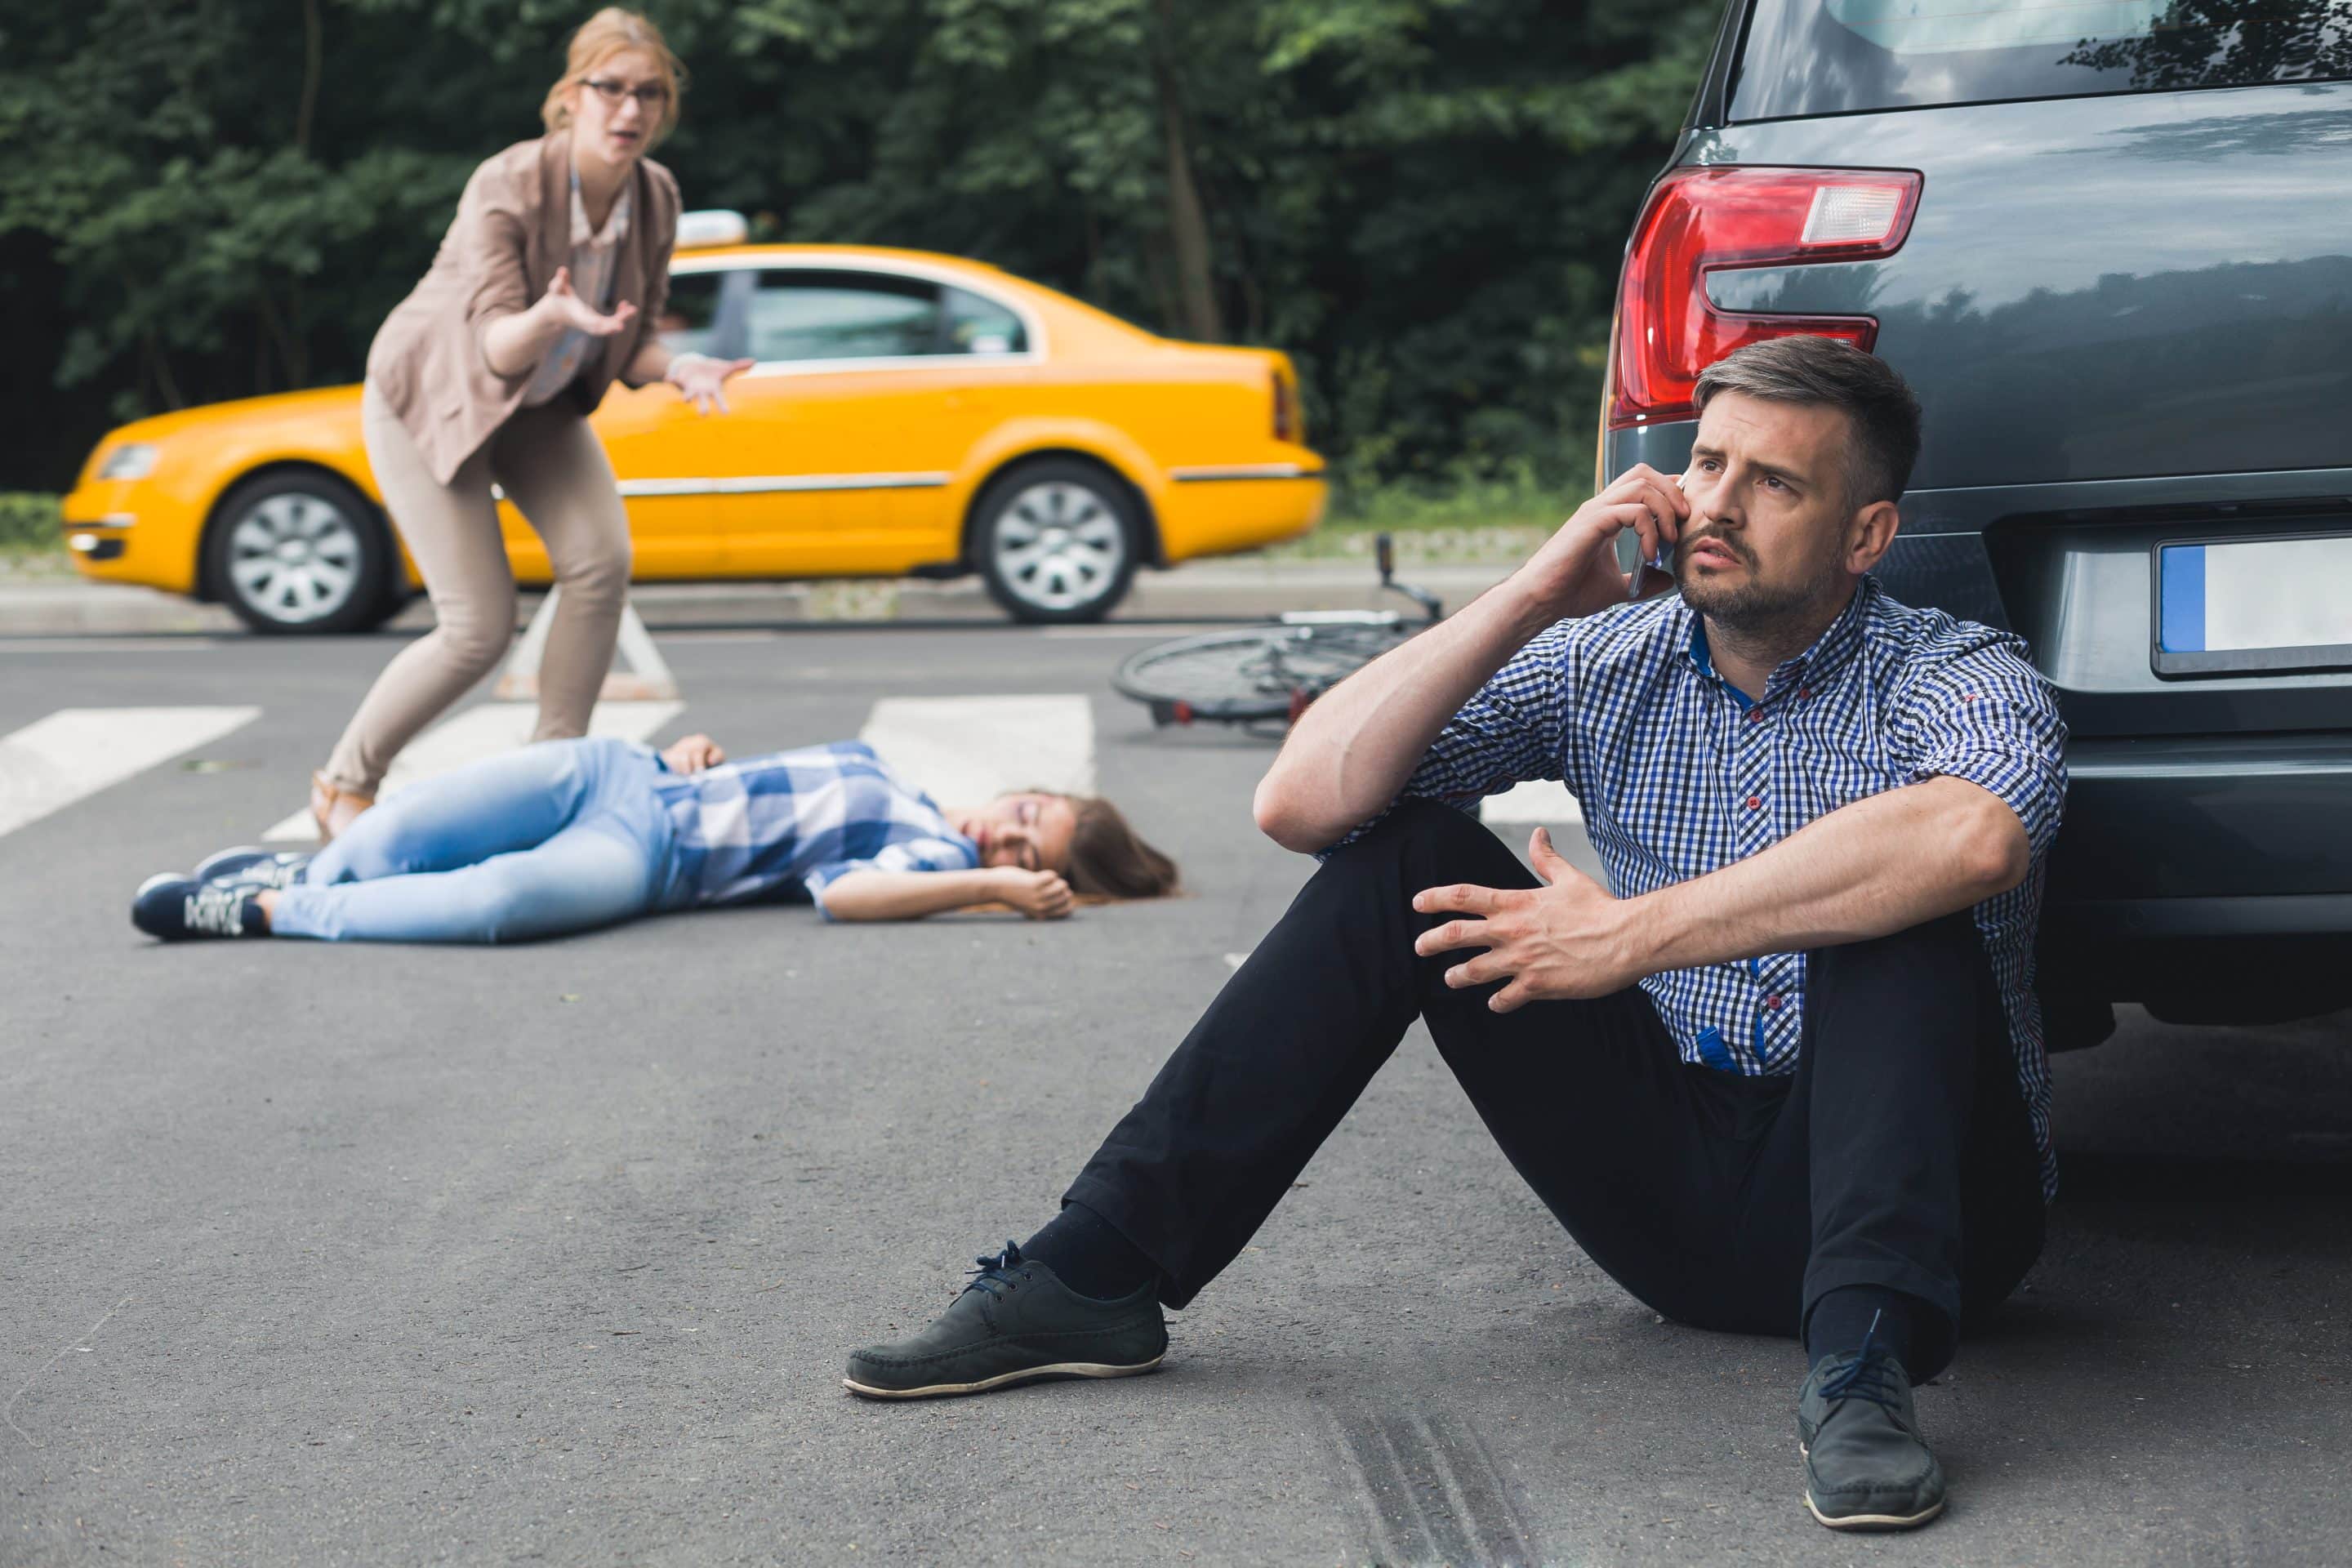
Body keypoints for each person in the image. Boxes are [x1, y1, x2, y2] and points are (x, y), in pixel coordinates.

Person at [840, 336, 2069, 1535]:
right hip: (1688, 1200)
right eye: (1706, 465)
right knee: (1403, 854)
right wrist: (1535, 592)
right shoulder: (1604, 664)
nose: (1718, 505)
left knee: (1893, 895)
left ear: (1865, 535)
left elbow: (1971, 843)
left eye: (1774, 482)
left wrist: (1629, 938)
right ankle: (1098, 1271)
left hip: (1936, 1220)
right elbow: (1303, 801)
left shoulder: (1954, 672)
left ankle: (1863, 1375)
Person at [305, 7, 752, 840]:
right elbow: (495, 344)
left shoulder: (655, 197)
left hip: (537, 408)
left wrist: (679, 368)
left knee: (599, 562)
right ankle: (344, 783)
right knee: (477, 628)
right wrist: (548, 318)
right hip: (433, 396)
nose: (630, 110)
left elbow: (631, 337)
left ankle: (558, 778)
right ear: (570, 97)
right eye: (610, 88)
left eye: (649, 94)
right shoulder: (507, 183)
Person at [131, 734, 1178, 943]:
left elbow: (843, 897)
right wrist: (700, 751)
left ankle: (262, 908)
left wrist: (987, 893)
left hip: (651, 861)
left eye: (1028, 859)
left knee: (499, 903)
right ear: (1024, 792)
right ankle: (316, 867)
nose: (1008, 840)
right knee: (405, 825)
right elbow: (773, 787)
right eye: (1028, 820)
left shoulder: (938, 864)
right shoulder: (894, 776)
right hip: (621, 775)